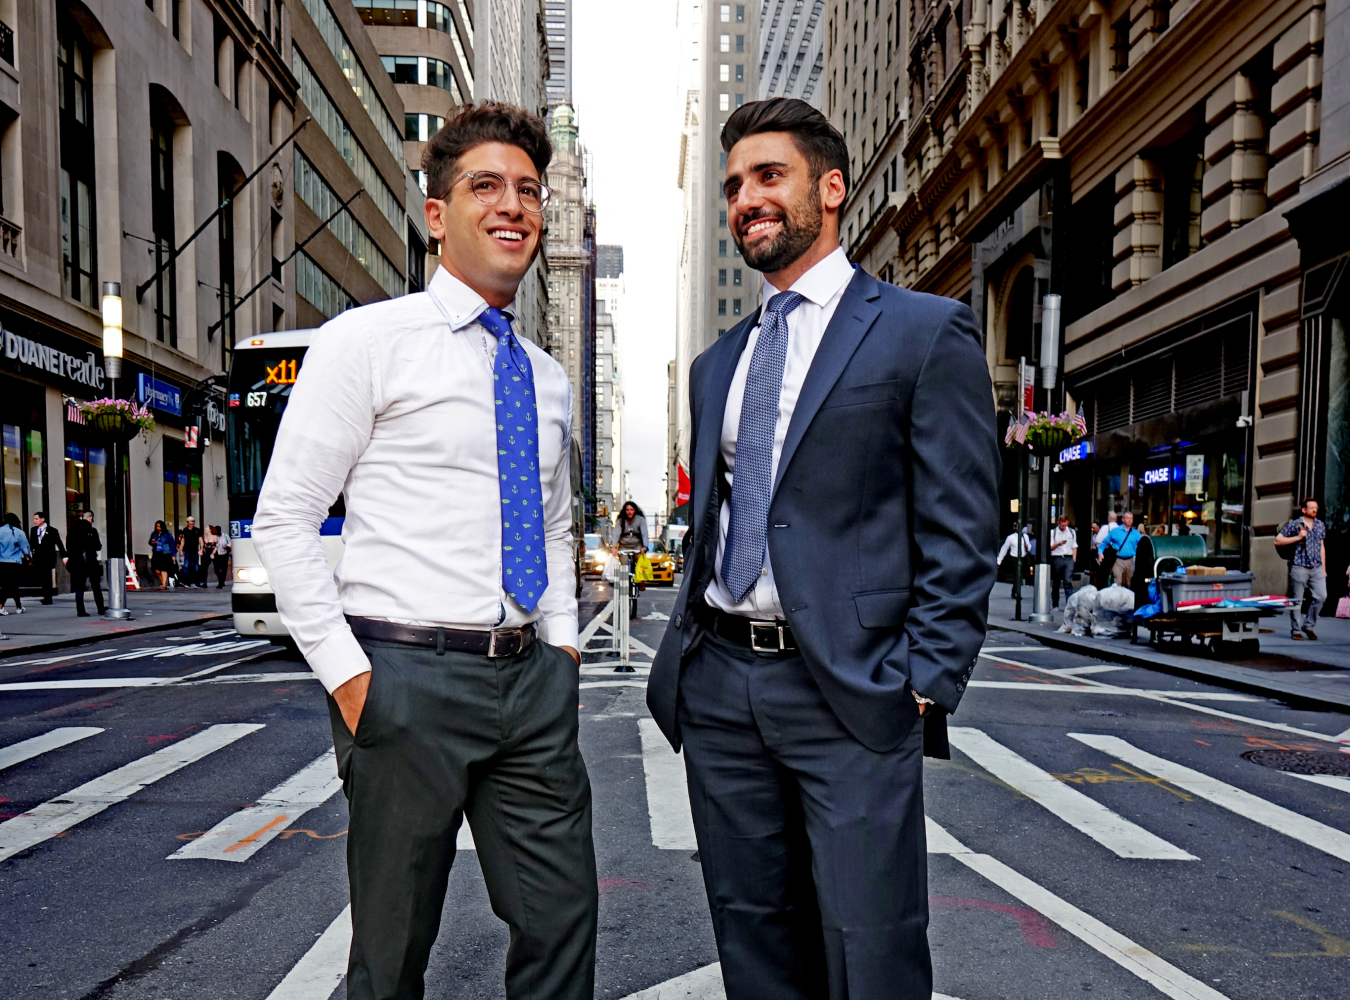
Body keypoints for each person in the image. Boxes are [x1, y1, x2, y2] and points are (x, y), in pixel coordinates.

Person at [648, 98, 1000, 1000]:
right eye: (732, 186)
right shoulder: (717, 365)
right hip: (723, 685)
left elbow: (964, 525)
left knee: (870, 948)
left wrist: (924, 681)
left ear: (831, 189)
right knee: (754, 942)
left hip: (850, 689)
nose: (745, 200)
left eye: (769, 176)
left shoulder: (923, 331)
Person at [253, 102, 595, 1000]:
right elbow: (285, 517)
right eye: (486, 186)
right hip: (404, 677)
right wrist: (351, 679)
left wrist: (560, 645)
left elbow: (554, 526)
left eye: (528, 189)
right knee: (392, 952)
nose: (513, 205)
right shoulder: (365, 342)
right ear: (437, 215)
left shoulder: (547, 377)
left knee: (563, 925)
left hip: (531, 682)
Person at [1276, 497, 1327, 640]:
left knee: (1321, 596)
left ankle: (1308, 625)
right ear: (1304, 510)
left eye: (1316, 508)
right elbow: (1278, 540)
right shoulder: (1295, 525)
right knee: (1296, 600)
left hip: (1316, 566)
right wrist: (1298, 537)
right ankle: (1296, 630)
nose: (1314, 510)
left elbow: (1322, 547)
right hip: (1299, 566)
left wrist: (1323, 568)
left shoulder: (1320, 525)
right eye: (1311, 508)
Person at [65, 510, 105, 617]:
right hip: (91, 561)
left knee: (79, 587)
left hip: (77, 562)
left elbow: (68, 546)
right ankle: (100, 608)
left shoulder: (72, 530)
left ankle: (80, 610)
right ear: (90, 518)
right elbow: (98, 546)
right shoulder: (92, 530)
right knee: (96, 586)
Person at [30, 512, 67, 605]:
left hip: (48, 557)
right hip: (38, 557)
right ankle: (45, 595)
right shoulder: (33, 530)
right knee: (42, 577)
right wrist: (29, 554)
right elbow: (31, 543)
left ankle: (48, 598)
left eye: (36, 519)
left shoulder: (52, 530)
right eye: (34, 519)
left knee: (47, 577)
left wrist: (64, 556)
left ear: (43, 519)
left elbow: (59, 543)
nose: (34, 521)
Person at [1099, 511, 1141, 588]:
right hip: (1118, 560)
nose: (1129, 520)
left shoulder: (1136, 533)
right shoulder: (1115, 531)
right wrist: (1100, 553)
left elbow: (1142, 545)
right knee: (1117, 582)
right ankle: (1117, 598)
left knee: (1129, 583)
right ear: (1123, 519)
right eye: (1127, 518)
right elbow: (1104, 543)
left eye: (1131, 518)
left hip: (1130, 561)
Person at [0, 512, 30, 614]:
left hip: (2, 561)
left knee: (9, 584)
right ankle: (1, 606)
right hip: (14, 561)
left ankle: (19, 606)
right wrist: (27, 556)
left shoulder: (0, 531)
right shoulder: (19, 532)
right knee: (10, 584)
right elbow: (25, 548)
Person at [996, 525, 1033, 597]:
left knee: (1020, 576)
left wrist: (1028, 546)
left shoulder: (1025, 537)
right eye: (1017, 527)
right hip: (1014, 557)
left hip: (1023, 557)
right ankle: (1016, 592)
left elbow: (1029, 547)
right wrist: (999, 560)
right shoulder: (1011, 537)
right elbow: (1004, 548)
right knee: (1017, 575)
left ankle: (1014, 590)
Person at [1049, 514, 1077, 609]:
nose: (1063, 527)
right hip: (1057, 557)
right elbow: (1050, 547)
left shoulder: (1072, 532)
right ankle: (1055, 604)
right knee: (1056, 581)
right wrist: (1058, 544)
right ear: (1058, 523)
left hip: (1068, 558)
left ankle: (1069, 604)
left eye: (1065, 525)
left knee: (1068, 581)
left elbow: (1074, 546)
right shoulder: (1053, 533)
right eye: (1062, 525)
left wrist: (1074, 558)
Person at [149, 521, 175, 590]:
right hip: (156, 552)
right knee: (156, 569)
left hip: (166, 553)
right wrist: (153, 542)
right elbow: (150, 542)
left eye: (159, 527)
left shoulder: (167, 533)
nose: (158, 528)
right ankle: (162, 580)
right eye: (157, 526)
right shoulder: (154, 534)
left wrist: (173, 554)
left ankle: (164, 584)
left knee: (164, 569)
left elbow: (172, 543)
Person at [180, 517, 205, 588]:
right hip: (187, 551)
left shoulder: (197, 530)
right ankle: (186, 582)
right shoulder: (184, 530)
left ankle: (197, 583)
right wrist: (181, 550)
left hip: (195, 551)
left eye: (193, 523)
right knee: (186, 566)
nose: (192, 524)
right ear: (187, 523)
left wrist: (201, 549)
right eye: (190, 523)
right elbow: (183, 541)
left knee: (196, 567)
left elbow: (201, 540)